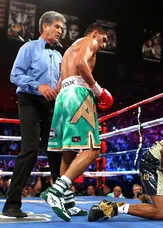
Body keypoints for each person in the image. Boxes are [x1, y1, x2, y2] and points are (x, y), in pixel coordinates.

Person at [40, 23, 113, 222]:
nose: (104, 44)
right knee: (93, 149)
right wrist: (97, 89)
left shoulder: (68, 51)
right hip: (77, 95)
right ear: (96, 33)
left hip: (63, 96)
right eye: (104, 39)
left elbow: (59, 83)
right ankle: (55, 191)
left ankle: (68, 202)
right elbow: (82, 63)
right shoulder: (90, 41)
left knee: (68, 151)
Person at [2, 11, 65, 217]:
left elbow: (59, 83)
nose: (60, 31)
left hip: (51, 105)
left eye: (61, 28)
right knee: (29, 150)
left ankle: (64, 199)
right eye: (56, 26)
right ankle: (11, 204)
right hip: (29, 101)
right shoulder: (28, 48)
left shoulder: (58, 55)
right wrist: (38, 86)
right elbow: (15, 75)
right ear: (44, 26)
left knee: (56, 151)